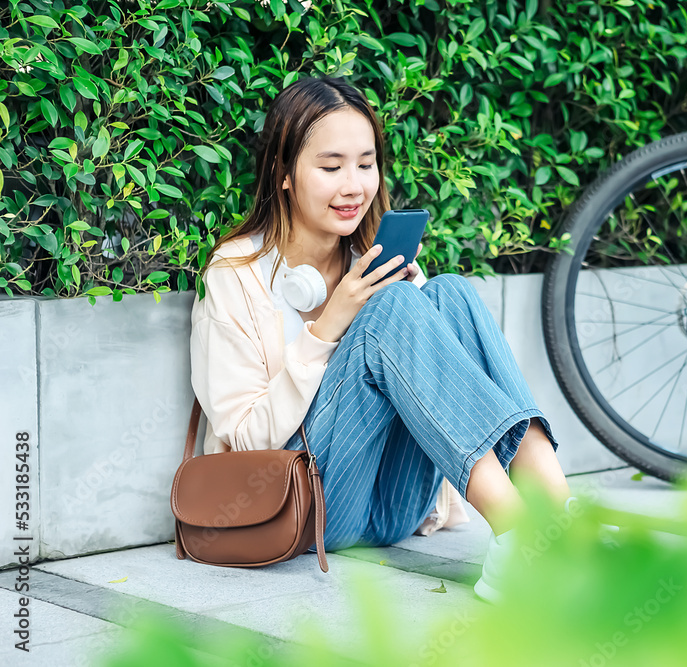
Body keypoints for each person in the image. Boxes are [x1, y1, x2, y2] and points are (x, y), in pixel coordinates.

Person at [189, 75, 584, 604]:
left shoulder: (367, 261)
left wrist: (414, 305)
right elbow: (246, 440)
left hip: (394, 505)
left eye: (366, 163)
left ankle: (558, 518)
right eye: (331, 167)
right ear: (284, 173)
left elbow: (434, 391)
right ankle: (520, 537)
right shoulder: (235, 274)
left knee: (449, 293)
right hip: (303, 507)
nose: (353, 184)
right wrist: (331, 324)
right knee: (394, 306)